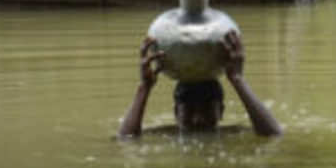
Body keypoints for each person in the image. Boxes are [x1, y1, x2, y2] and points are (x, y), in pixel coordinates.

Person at [118, 30, 282, 138]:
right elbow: (125, 141)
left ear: (221, 111)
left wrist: (238, 80)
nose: (198, 120)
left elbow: (274, 135)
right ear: (176, 113)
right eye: (189, 112)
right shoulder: (167, 134)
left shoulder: (232, 133)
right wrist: (144, 89)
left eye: (207, 110)